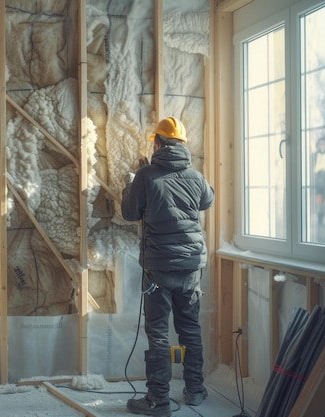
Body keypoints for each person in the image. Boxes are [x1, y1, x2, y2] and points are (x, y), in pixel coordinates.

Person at [121, 116, 215, 416]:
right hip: (191, 269)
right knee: (190, 330)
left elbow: (128, 212)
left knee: (159, 333)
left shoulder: (146, 176)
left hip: (159, 269)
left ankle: (158, 400)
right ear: (182, 146)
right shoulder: (196, 176)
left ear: (158, 144)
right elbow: (206, 201)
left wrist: (131, 182)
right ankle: (195, 389)